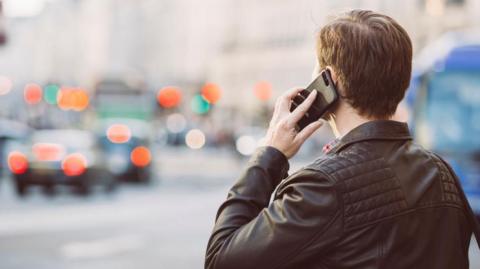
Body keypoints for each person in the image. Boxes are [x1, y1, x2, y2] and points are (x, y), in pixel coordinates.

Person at [205, 10, 476, 269]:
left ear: (329, 80)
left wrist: (270, 153)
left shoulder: (323, 187)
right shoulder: (442, 173)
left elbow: (220, 259)